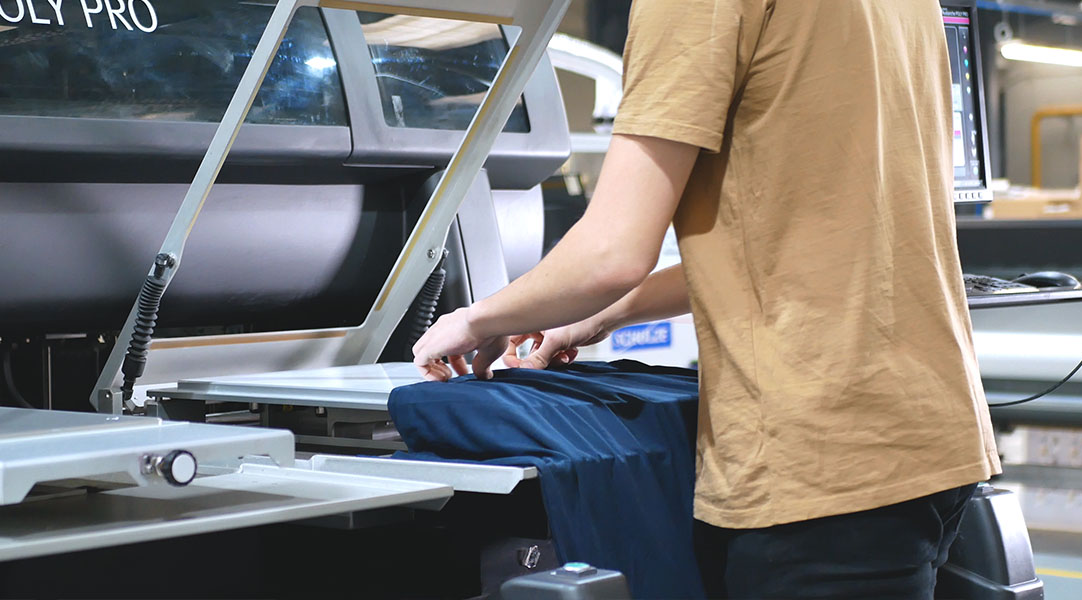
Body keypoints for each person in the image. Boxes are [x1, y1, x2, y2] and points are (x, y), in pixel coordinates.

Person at [411, 0, 1002, 597]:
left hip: (818, 465)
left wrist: (478, 317)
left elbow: (611, 252)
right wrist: (601, 314)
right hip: (929, 440)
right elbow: (798, 238)